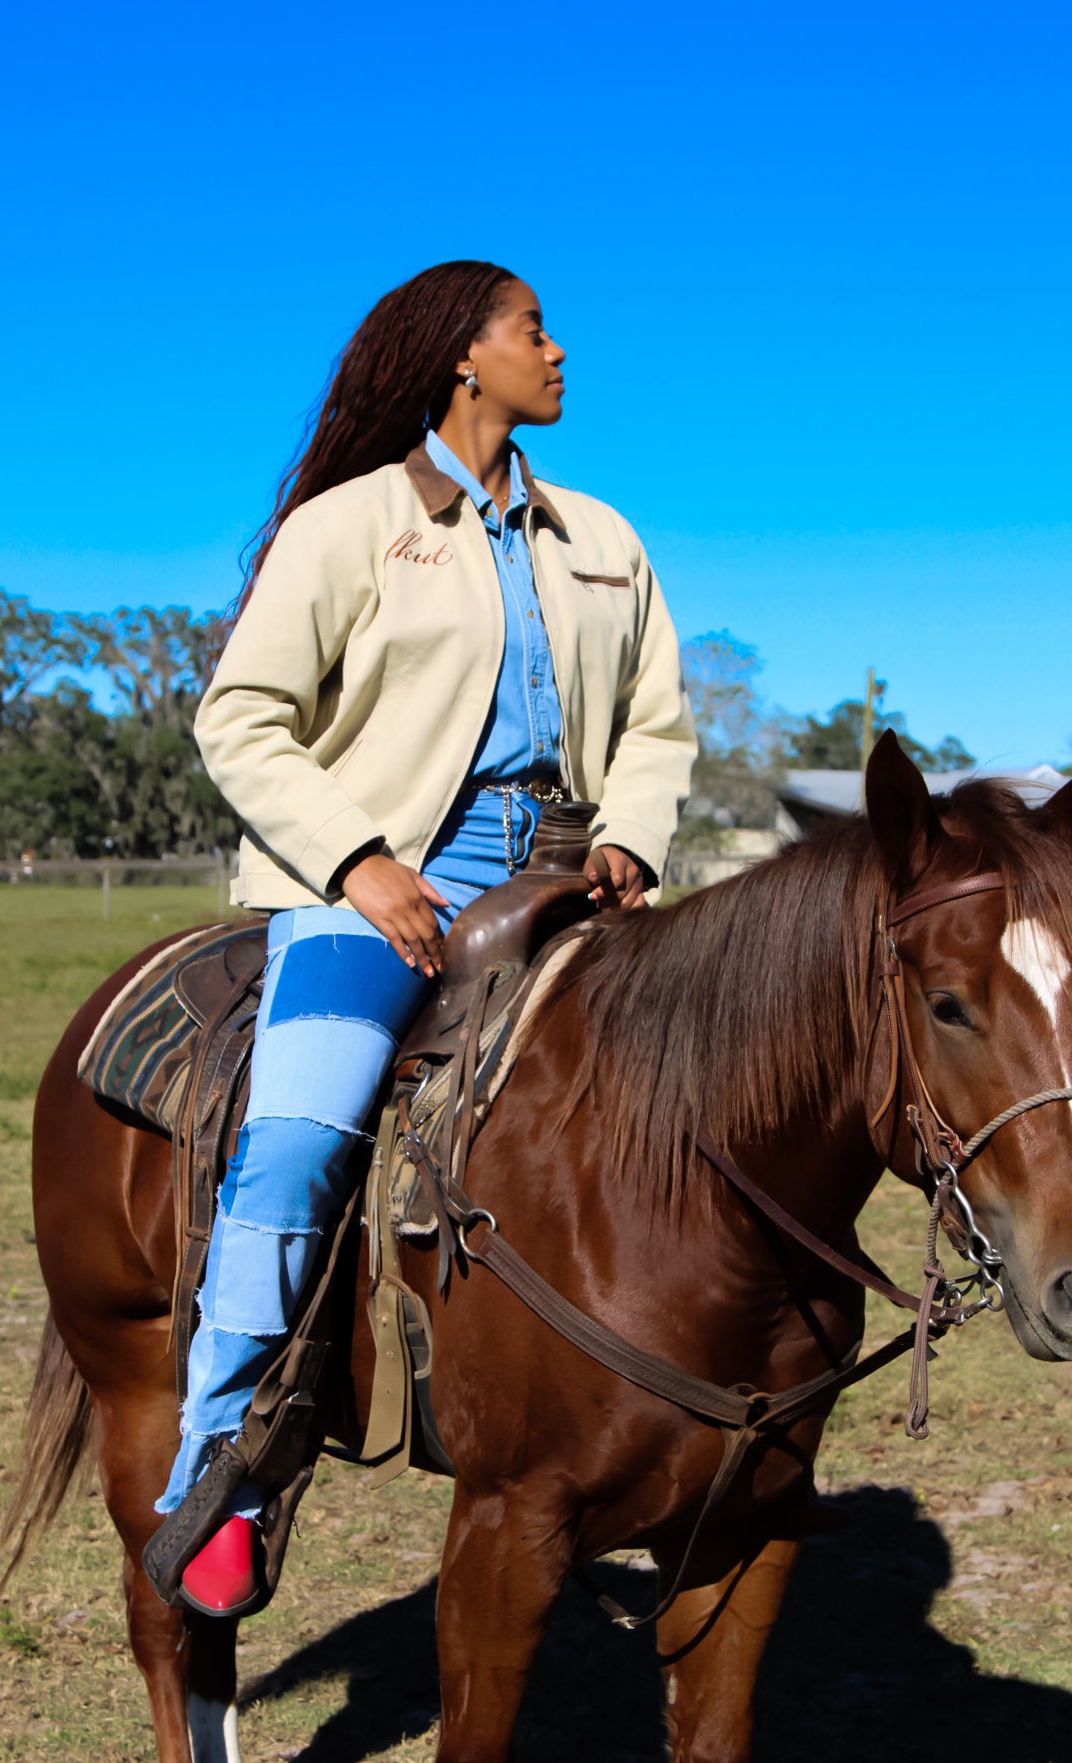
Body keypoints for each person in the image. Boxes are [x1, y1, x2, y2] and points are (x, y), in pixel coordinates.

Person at [154, 259, 696, 1614]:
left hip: (577, 880)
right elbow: (243, 718)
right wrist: (359, 862)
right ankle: (215, 1460)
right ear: (466, 359)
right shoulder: (347, 529)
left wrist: (631, 831)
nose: (560, 350)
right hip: (374, 883)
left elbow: (657, 723)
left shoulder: (606, 543)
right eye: (533, 331)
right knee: (297, 1142)